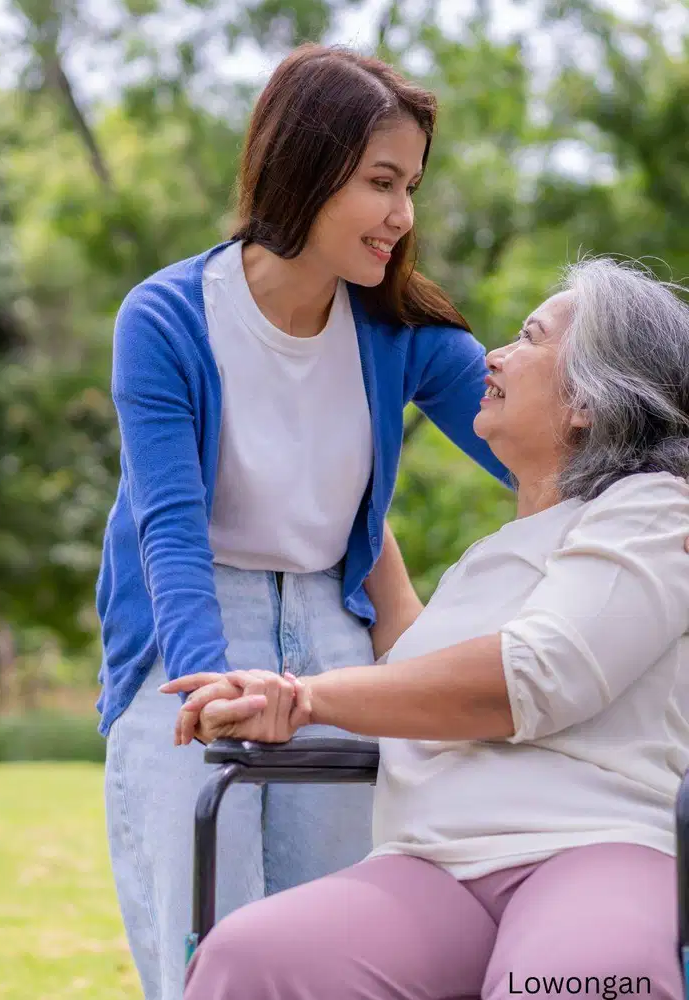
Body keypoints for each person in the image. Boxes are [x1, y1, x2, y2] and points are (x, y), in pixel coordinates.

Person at [96, 42, 513, 1000]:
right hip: (188, 632)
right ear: (307, 166)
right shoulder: (166, 319)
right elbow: (168, 529)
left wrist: (653, 495)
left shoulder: (399, 331)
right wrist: (211, 686)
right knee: (210, 944)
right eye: (381, 182)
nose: (403, 215)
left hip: (337, 634)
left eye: (410, 185)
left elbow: (531, 448)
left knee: (334, 944)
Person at [164, 258, 689, 1000]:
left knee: (574, 981)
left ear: (589, 403)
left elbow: (527, 677)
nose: (496, 355)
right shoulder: (493, 557)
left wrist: (308, 696)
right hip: (432, 866)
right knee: (249, 959)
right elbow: (414, 657)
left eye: (528, 338)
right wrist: (341, 489)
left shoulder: (656, 512)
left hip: (592, 845)